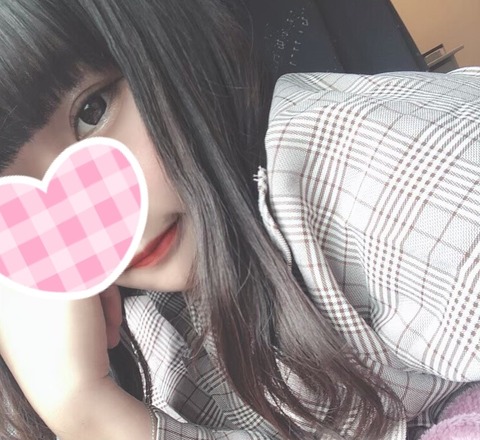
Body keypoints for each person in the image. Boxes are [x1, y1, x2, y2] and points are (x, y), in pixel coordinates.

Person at [0, 1, 478, 439]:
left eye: (92, 112)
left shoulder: (372, 165)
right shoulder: (100, 326)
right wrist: (82, 403)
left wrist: (94, 419)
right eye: (15, 203)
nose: (99, 224)